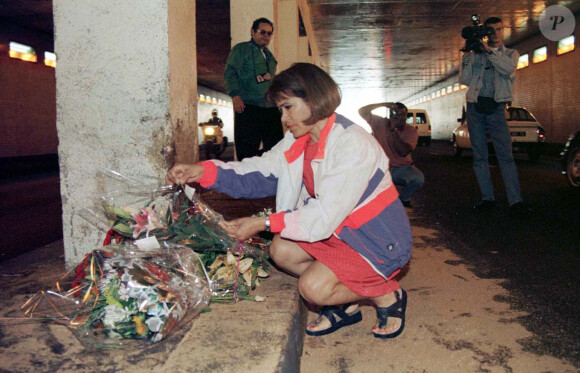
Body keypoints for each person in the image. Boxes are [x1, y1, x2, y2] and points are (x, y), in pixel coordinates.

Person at [167, 63, 413, 339]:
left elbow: (323, 214)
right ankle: (345, 304)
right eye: (280, 110)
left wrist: (263, 222)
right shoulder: (299, 140)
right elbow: (257, 172)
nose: (283, 118)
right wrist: (202, 171)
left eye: (288, 107)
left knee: (312, 289)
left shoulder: (352, 144)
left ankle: (387, 293)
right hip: (337, 232)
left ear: (314, 99)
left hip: (375, 240)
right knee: (281, 251)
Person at [459, 16, 531, 216]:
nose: (495, 33)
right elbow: (464, 80)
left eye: (498, 29)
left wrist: (487, 51)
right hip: (475, 107)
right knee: (479, 156)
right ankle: (487, 198)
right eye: (491, 30)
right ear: (485, 32)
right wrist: (467, 55)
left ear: (502, 31)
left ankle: (515, 201)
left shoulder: (511, 54)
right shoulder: (476, 55)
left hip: (496, 107)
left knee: (505, 156)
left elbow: (507, 70)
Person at [224, 17, 284, 161]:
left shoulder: (270, 57)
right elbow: (230, 73)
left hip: (270, 109)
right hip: (248, 107)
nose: (266, 36)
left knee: (277, 149)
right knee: (246, 152)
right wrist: (235, 96)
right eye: (262, 32)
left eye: (269, 33)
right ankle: (247, 181)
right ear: (252, 31)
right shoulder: (242, 49)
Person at [359, 102, 424, 208]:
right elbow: (362, 111)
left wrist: (393, 130)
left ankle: (403, 198)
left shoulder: (411, 131)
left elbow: (403, 152)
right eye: (396, 114)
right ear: (390, 114)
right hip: (381, 168)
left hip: (401, 168)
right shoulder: (379, 122)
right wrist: (384, 104)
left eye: (403, 114)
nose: (400, 117)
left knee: (418, 179)